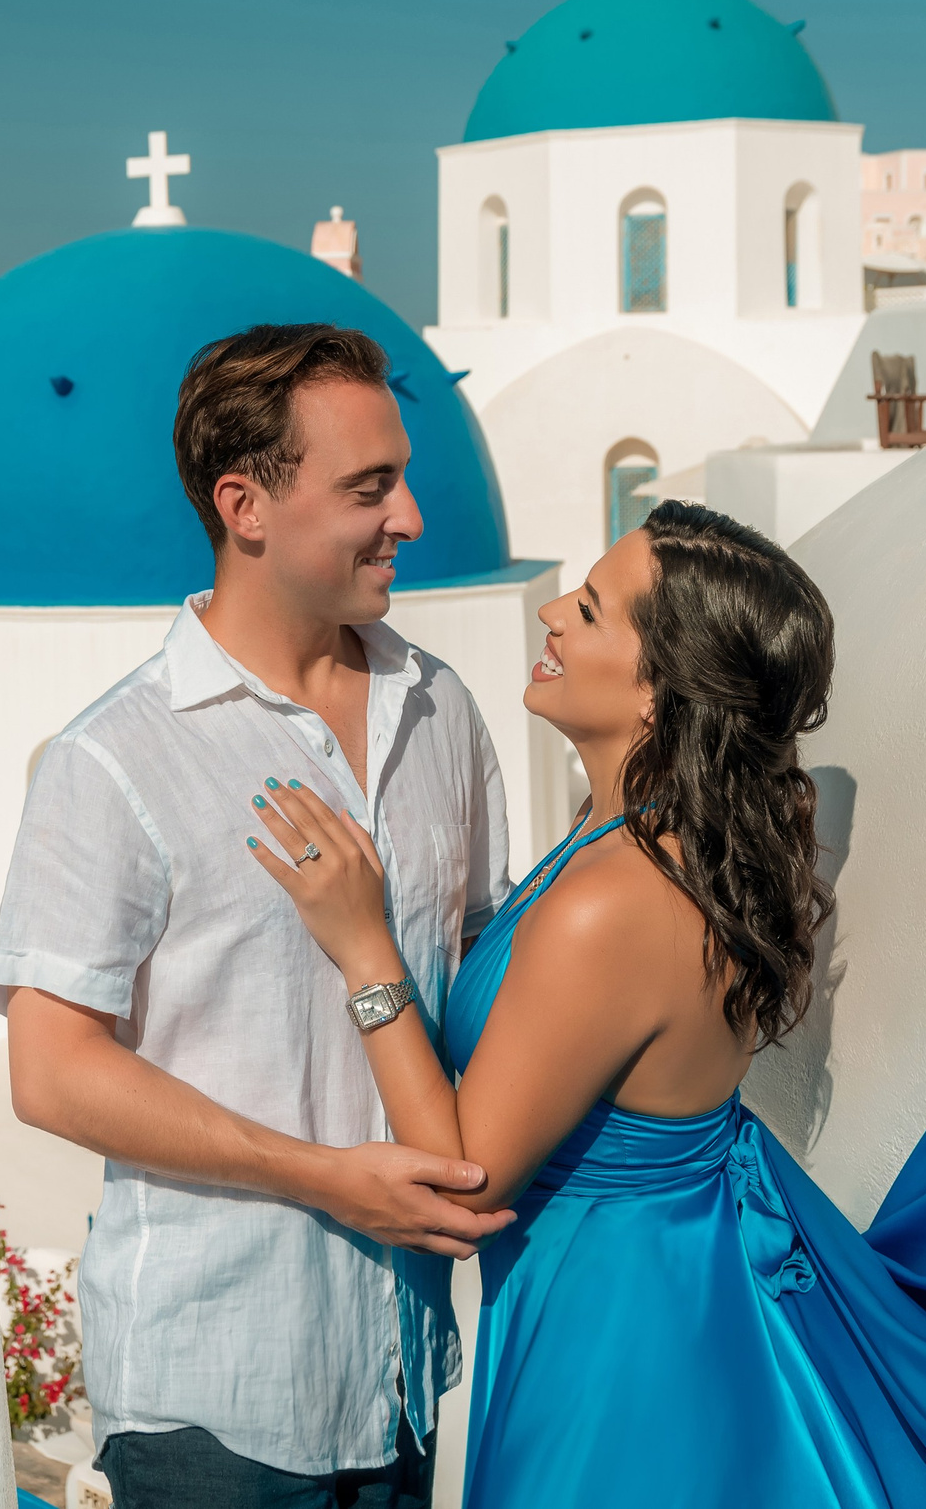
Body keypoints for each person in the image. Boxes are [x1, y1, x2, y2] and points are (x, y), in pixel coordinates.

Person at [249, 500, 875, 1507]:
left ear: (661, 688)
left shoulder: (614, 898)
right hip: (664, 1293)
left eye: (587, 609)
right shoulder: (632, 840)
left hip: (616, 1348)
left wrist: (363, 944)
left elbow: (461, 1184)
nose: (547, 611)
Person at [0, 323, 514, 1508]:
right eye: (369, 487)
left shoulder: (442, 711)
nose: (413, 516)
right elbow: (51, 1069)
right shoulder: (113, 757)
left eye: (403, 477)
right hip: (211, 1407)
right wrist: (326, 1174)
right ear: (247, 505)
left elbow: (477, 975)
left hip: (399, 1376)